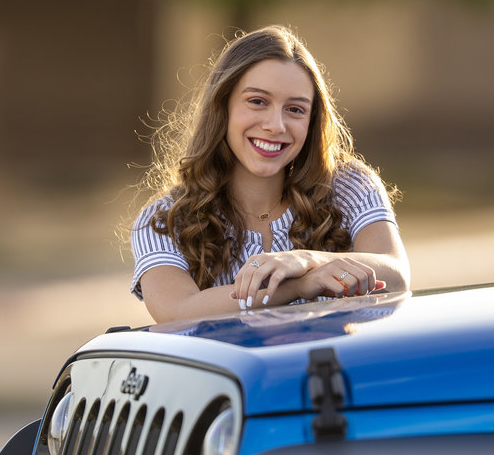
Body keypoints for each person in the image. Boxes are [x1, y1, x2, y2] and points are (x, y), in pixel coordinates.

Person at [129, 25, 409, 323]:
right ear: (222, 106)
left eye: (295, 109)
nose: (276, 125)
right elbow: (176, 311)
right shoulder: (162, 220)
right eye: (258, 101)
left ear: (312, 120)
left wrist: (306, 259)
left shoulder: (348, 185)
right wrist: (299, 285)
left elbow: (395, 273)